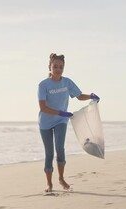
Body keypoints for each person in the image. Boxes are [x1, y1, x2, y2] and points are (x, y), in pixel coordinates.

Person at [38, 53, 100, 192]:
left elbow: (78, 96)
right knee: (49, 153)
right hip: (45, 122)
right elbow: (42, 108)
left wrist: (90, 95)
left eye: (61, 67)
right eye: (55, 66)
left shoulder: (67, 82)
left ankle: (61, 178)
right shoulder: (43, 85)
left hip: (61, 120)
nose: (58, 69)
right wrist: (61, 112)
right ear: (50, 67)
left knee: (60, 148)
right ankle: (49, 184)